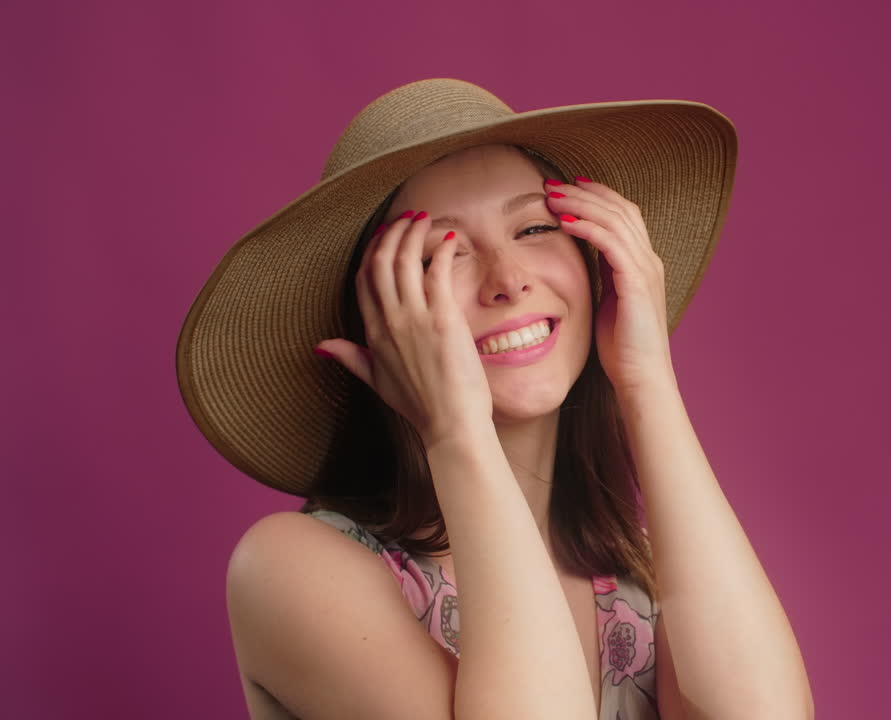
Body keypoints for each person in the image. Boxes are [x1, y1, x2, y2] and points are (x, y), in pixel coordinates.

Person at [176, 79, 813, 719]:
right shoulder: (293, 568)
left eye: (535, 227)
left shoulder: (646, 572)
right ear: (374, 325)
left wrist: (645, 380)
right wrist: (454, 430)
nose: (508, 279)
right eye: (439, 255)